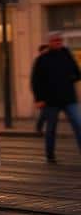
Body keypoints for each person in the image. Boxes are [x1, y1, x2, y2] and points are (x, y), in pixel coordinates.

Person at [30, 32, 81, 162]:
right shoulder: (42, 59)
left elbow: (77, 72)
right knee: (51, 129)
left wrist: (71, 78)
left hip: (69, 98)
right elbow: (36, 80)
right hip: (50, 100)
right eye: (55, 40)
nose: (58, 42)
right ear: (49, 42)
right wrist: (39, 99)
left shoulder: (66, 54)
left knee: (78, 124)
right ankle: (50, 155)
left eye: (60, 40)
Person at [32, 44, 50, 135]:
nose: (47, 52)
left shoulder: (50, 60)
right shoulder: (39, 61)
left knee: (45, 113)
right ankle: (39, 128)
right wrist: (38, 98)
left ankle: (40, 128)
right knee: (44, 113)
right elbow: (35, 81)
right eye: (45, 51)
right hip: (43, 95)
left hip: (50, 94)